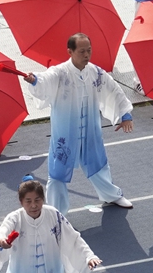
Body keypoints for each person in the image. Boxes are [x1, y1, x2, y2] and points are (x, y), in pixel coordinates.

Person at [19, 32, 134, 212]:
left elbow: (114, 90)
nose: (86, 55)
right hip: (65, 133)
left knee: (98, 164)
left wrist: (124, 113)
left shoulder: (96, 73)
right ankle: (56, 212)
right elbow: (44, 79)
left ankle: (112, 195)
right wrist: (35, 81)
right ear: (70, 52)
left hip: (90, 130)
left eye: (89, 50)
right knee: (57, 174)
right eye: (81, 51)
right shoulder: (60, 73)